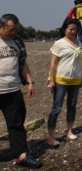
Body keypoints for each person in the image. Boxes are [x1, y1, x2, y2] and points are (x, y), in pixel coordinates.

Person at [0, 14, 42, 169]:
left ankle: (21, 155)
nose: (13, 33)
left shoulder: (17, 41)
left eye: (15, 30)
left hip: (12, 90)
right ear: (0, 26)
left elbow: (23, 64)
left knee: (16, 124)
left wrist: (30, 82)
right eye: (10, 30)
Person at [47, 18, 82, 147]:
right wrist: (51, 80)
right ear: (64, 30)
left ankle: (69, 131)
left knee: (72, 106)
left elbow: (77, 62)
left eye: (75, 29)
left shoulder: (78, 42)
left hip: (75, 79)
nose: (73, 31)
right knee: (56, 107)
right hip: (61, 79)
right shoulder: (59, 43)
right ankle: (51, 137)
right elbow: (53, 63)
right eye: (70, 29)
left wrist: (80, 77)